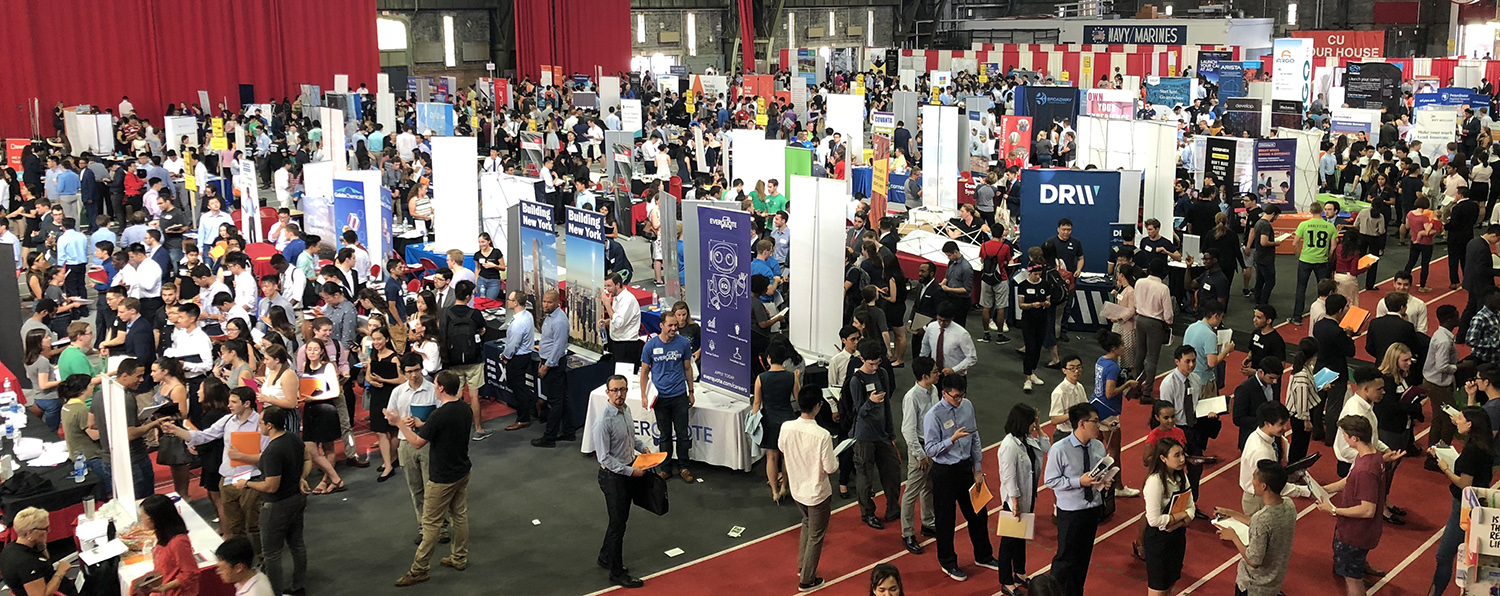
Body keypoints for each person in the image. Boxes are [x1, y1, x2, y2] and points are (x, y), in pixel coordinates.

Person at [389, 370, 473, 587]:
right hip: (462, 470)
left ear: (441, 388)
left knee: (430, 524)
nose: (433, 386)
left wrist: (399, 423)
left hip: (442, 477)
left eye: (435, 384)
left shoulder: (439, 415)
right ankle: (459, 558)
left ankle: (419, 569)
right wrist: (420, 424)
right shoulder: (464, 408)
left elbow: (417, 443)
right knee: (459, 515)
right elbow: (439, 432)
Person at [923, 374, 997, 581]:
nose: (958, 400)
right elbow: (930, 450)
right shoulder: (933, 415)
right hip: (944, 472)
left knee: (979, 514)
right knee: (946, 520)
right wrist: (951, 440)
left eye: (961, 396)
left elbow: (975, 436)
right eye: (954, 397)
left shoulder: (967, 406)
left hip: (966, 469)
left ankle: (984, 555)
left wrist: (978, 468)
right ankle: (948, 562)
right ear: (944, 393)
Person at [1045, 403, 1111, 596]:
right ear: (1082, 424)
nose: (1099, 425)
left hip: (1093, 508)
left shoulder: (1098, 446)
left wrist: (1104, 482)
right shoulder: (1060, 449)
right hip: (1071, 511)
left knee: (1083, 558)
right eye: (1095, 421)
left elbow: (1099, 473)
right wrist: (1078, 482)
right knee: (1065, 560)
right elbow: (1050, 480)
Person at [1319, 415, 1390, 596]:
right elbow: (1349, 481)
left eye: (1344, 435)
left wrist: (1334, 510)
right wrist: (1322, 489)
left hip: (1355, 534)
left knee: (1352, 579)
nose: (1342, 438)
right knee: (1354, 567)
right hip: (1364, 531)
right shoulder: (1373, 456)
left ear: (1354, 438)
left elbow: (1367, 509)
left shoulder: (1365, 469)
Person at [1429, 407, 1495, 596]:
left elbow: (1465, 484)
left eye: (1460, 418)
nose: (1456, 420)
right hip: (1478, 502)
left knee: (1444, 555)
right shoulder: (1484, 443)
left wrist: (1445, 468)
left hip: (1465, 506)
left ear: (1470, 424)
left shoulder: (1473, 449)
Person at [781, 386, 838, 591]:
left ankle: (802, 565)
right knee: (816, 535)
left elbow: (781, 447)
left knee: (806, 524)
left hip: (797, 489)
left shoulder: (786, 427)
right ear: (818, 406)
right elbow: (830, 467)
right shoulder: (822, 435)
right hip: (817, 493)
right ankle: (807, 579)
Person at [593, 375, 648, 589]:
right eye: (615, 390)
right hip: (613, 477)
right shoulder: (603, 421)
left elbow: (629, 438)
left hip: (625, 472)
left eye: (623, 390)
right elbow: (604, 458)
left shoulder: (626, 410)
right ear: (607, 392)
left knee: (618, 521)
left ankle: (605, 557)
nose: (619, 394)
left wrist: (641, 447)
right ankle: (616, 573)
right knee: (618, 526)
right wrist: (630, 472)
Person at [1217, 461, 1298, 596]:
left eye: (1254, 478)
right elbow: (1260, 524)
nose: (1252, 481)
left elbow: (1254, 560)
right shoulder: (1289, 505)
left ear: (1264, 486)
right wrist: (1231, 513)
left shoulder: (1262, 519)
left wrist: (1234, 537)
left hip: (1254, 586)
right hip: (1275, 579)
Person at [847, 335, 903, 530]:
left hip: (882, 434)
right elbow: (859, 412)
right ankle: (867, 513)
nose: (875, 367)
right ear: (862, 359)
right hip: (863, 436)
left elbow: (887, 405)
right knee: (865, 477)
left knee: (893, 471)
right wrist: (870, 401)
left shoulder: (882, 374)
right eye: (871, 364)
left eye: (878, 363)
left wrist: (891, 433)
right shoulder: (856, 380)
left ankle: (893, 507)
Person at [995, 403, 1047, 593]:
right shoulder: (1009, 446)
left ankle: (1020, 572)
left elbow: (1046, 446)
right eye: (1031, 422)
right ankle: (1006, 580)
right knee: (1009, 541)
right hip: (1014, 501)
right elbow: (1009, 476)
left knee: (1021, 537)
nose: (1034, 425)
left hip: (1029, 495)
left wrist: (1039, 428)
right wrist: (1015, 502)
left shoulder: (1027, 439)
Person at [640, 316, 696, 482]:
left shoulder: (683, 343)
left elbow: (688, 368)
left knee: (682, 434)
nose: (674, 328)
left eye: (675, 325)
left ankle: (684, 467)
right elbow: (644, 373)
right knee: (664, 435)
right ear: (661, 325)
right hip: (660, 398)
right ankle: (666, 468)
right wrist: (644, 395)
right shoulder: (650, 345)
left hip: (679, 396)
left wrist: (691, 391)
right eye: (670, 325)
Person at [438, 280, 492, 440]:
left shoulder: (445, 312)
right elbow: (482, 329)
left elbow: (443, 334)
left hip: (453, 360)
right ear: (468, 296)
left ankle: (455, 429)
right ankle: (478, 429)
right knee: (474, 396)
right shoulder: (474, 313)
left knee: (455, 395)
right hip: (473, 359)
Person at [1141, 437, 1193, 596]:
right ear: (1163, 458)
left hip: (1177, 537)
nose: (1182, 459)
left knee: (1170, 582)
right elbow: (1154, 520)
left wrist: (1180, 520)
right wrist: (1181, 516)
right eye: (1176, 455)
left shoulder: (1181, 476)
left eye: (1182, 454)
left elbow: (1191, 507)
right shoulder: (1155, 482)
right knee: (1158, 590)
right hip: (1159, 541)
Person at [899, 357, 940, 554]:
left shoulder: (933, 390)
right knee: (912, 491)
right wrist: (919, 454)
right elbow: (908, 430)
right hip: (921, 449)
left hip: (933, 447)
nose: (938, 373)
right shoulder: (912, 397)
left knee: (929, 486)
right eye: (934, 371)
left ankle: (928, 522)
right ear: (924, 376)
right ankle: (907, 533)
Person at [1092, 330, 1139, 496]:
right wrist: (1127, 385)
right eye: (1122, 345)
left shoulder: (1100, 361)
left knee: (1096, 450)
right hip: (1108, 411)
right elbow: (1110, 392)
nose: (1124, 347)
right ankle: (1118, 487)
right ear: (1114, 348)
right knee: (1114, 451)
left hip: (1096, 407)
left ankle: (1096, 482)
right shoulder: (1112, 367)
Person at [533, 289, 574, 446]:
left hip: (554, 365)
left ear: (558, 303)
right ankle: (569, 431)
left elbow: (559, 346)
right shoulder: (551, 317)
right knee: (562, 399)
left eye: (549, 302)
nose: (545, 304)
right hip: (549, 360)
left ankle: (549, 437)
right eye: (544, 301)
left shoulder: (559, 321)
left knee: (555, 402)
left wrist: (547, 365)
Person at [136, 494, 199, 596]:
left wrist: (164, 587)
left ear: (155, 518)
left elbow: (190, 573)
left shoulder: (178, 542)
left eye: (144, 517)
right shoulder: (162, 535)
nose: (142, 520)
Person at [0, 507, 73, 596]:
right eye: (45, 529)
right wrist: (60, 572)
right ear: (30, 532)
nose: (48, 531)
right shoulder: (26, 563)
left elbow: (45, 562)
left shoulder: (10, 548)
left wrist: (42, 546)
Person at [1316, 294, 1358, 443]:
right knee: (1333, 407)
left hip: (1321, 368)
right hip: (1336, 372)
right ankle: (1330, 437)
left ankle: (1317, 432)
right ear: (1340, 310)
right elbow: (1350, 351)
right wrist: (1348, 336)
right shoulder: (1337, 331)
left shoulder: (1318, 325)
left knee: (1318, 403)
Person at [1289, 201, 1338, 324]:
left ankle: (1297, 317)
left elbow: (1294, 243)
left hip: (1305, 260)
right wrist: (1328, 257)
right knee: (1324, 289)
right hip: (1322, 261)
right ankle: (1326, 315)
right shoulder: (1330, 226)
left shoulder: (1304, 225)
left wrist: (1298, 256)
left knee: (1301, 288)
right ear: (1321, 211)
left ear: (1310, 212)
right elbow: (1333, 247)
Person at [1426, 306, 1463, 451]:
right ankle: (1442, 452)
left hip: (1433, 382)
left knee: (1438, 419)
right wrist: (1460, 367)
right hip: (1439, 384)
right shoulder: (1444, 341)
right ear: (1449, 320)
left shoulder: (1440, 334)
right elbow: (1442, 367)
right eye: (1456, 316)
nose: (1458, 318)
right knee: (1449, 420)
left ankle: (1433, 452)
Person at [1285, 338, 1326, 463]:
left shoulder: (1303, 367)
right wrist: (1306, 420)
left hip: (1299, 413)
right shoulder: (1302, 374)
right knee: (1299, 445)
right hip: (1301, 415)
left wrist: (1319, 386)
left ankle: (1296, 467)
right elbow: (1302, 399)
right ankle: (1293, 469)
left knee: (1299, 443)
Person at [500, 291, 536, 431]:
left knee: (518, 387)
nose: (507, 301)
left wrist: (506, 357)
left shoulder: (518, 323)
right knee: (519, 386)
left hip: (518, 358)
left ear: (516, 302)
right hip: (525, 355)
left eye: (509, 299)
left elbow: (513, 344)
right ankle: (533, 402)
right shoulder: (527, 315)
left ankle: (523, 418)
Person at [1233, 358, 1284, 450]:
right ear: (1261, 372)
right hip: (1253, 439)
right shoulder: (1244, 389)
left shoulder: (1273, 383)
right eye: (1271, 378)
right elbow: (1238, 418)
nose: (1275, 382)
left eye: (1277, 378)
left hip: (1273, 438)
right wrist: (1265, 423)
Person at [919, 302, 977, 377]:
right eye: (939, 319)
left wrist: (954, 369)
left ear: (952, 318)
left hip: (955, 376)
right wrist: (923, 362)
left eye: (946, 321)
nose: (942, 323)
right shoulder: (931, 327)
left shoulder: (962, 334)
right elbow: (926, 344)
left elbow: (972, 357)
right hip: (935, 374)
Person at [602, 274, 643, 368]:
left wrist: (607, 305)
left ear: (618, 285)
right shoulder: (617, 297)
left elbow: (618, 323)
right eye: (606, 286)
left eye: (609, 286)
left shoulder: (628, 300)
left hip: (626, 346)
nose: (607, 289)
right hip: (616, 343)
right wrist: (607, 321)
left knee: (624, 378)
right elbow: (618, 317)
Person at [939, 241, 974, 327]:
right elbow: (947, 277)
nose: (948, 258)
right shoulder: (951, 262)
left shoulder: (966, 268)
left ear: (956, 252)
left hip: (961, 301)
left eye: (949, 255)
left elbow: (967, 289)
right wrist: (941, 284)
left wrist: (948, 289)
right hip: (950, 298)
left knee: (958, 325)